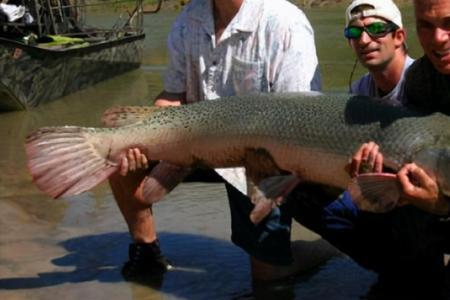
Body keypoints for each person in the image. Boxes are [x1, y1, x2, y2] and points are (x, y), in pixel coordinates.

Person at [109, 0, 324, 286]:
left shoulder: (285, 23)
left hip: (257, 159)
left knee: (270, 276)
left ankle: (325, 249)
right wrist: (143, 132)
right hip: (194, 145)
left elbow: (299, 118)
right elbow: (175, 95)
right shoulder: (188, 19)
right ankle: (146, 249)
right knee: (114, 149)